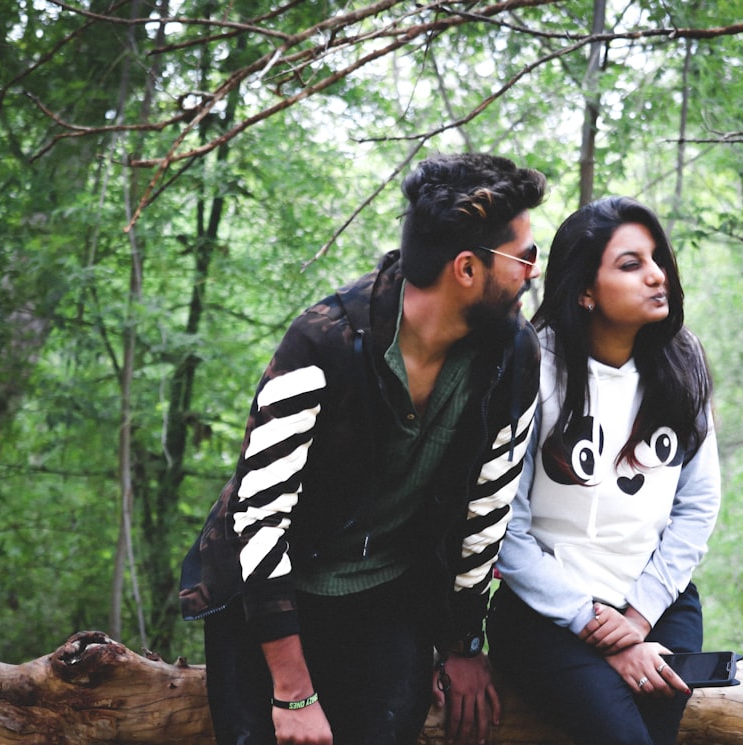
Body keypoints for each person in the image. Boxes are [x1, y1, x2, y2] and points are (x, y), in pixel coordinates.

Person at [179, 152, 547, 745]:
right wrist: (294, 692)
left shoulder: (513, 357)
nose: (533, 271)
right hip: (266, 591)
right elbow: (260, 519)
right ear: (466, 270)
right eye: (524, 256)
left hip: (386, 593)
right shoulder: (323, 342)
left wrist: (463, 645)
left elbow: (487, 514)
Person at [486, 196, 721, 745]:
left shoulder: (683, 365)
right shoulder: (531, 367)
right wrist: (597, 628)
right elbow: (503, 527)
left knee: (657, 729)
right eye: (631, 264)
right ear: (585, 291)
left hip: (657, 599)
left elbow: (697, 506)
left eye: (657, 258)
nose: (658, 275)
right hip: (546, 609)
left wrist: (637, 620)